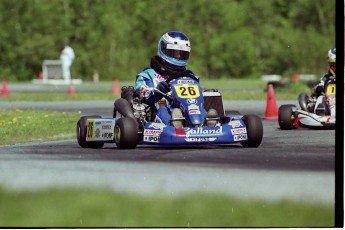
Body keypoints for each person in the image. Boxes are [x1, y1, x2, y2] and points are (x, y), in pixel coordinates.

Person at [135, 31, 212, 128]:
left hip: (186, 112)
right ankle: (174, 124)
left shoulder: (189, 75)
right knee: (162, 109)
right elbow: (143, 95)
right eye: (175, 53)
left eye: (182, 54)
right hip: (158, 113)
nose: (179, 57)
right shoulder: (148, 75)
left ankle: (209, 123)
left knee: (201, 110)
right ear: (163, 49)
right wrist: (158, 91)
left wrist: (201, 91)